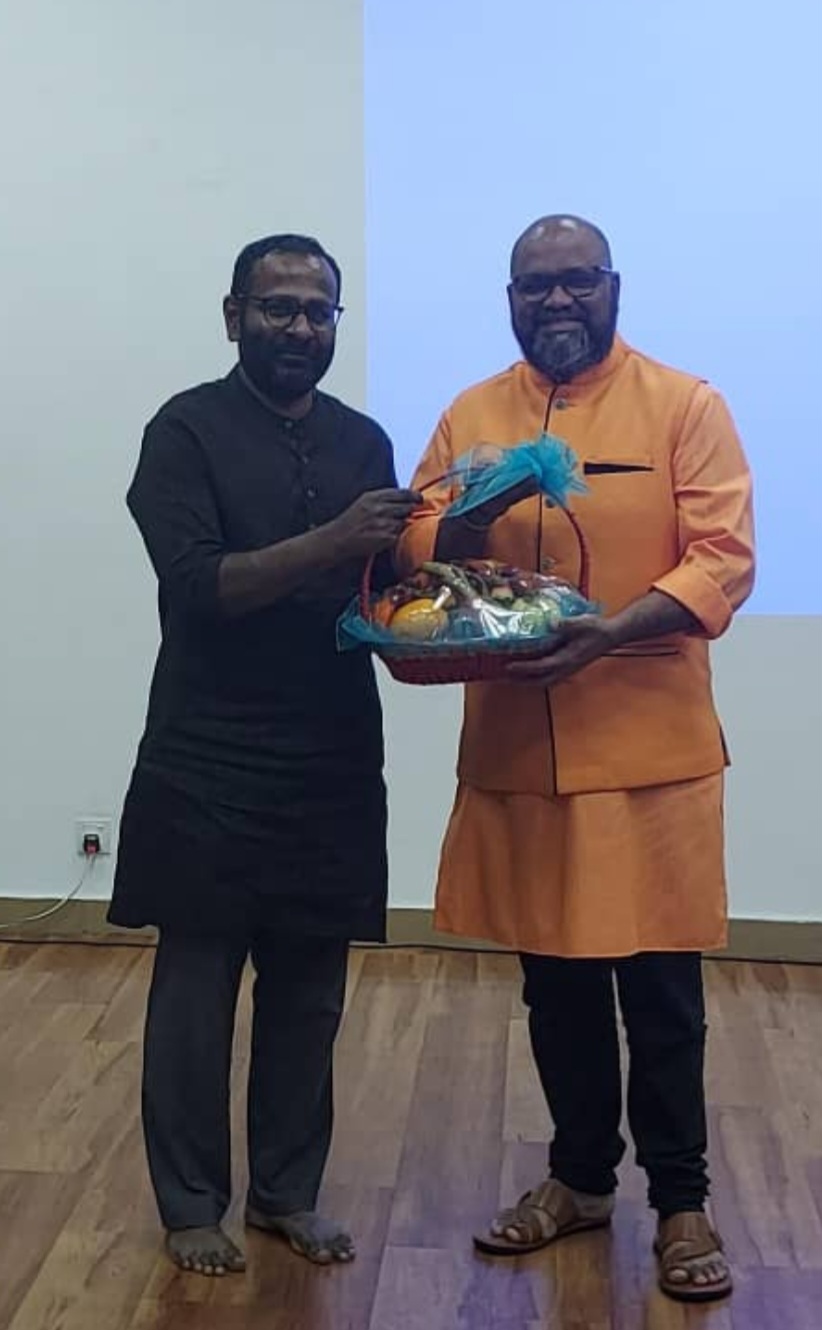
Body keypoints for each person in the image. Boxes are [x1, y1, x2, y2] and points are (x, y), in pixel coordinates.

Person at [397, 215, 754, 1304]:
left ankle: (683, 1199)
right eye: (534, 286)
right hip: (522, 748)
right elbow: (416, 546)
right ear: (510, 299)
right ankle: (581, 1179)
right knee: (554, 988)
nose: (557, 301)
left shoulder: (685, 405)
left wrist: (608, 632)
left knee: (662, 995)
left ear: (612, 287)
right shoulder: (471, 414)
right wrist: (473, 515)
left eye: (577, 281)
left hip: (650, 755)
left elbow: (724, 560)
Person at [109, 233, 420, 1276]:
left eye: (317, 310)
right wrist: (337, 539)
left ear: (336, 323)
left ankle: (287, 1193)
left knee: (311, 993)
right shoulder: (183, 431)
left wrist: (467, 537)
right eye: (277, 306)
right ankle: (192, 1203)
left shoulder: (364, 441)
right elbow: (201, 587)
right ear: (233, 315)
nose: (298, 326)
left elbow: (384, 586)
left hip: (333, 754)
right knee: (195, 995)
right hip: (207, 755)